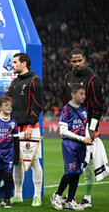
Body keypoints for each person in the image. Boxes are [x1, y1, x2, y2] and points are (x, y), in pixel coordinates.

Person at [62, 49, 104, 208]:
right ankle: (70, 197)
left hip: (87, 128)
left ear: (84, 60)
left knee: (86, 165)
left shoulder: (93, 79)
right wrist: (62, 124)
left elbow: (97, 106)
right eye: (74, 61)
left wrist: (92, 128)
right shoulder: (68, 77)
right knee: (72, 162)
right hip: (71, 127)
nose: (77, 64)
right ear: (70, 61)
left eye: (79, 61)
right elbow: (65, 101)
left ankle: (87, 197)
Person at [6, 53, 43, 206]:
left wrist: (29, 125)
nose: (12, 65)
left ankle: (37, 196)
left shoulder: (35, 81)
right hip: (15, 129)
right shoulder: (14, 81)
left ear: (24, 63)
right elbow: (7, 102)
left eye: (15, 62)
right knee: (16, 162)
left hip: (30, 128)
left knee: (33, 161)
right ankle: (18, 195)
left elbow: (37, 106)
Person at [51, 83, 92, 210]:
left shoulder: (84, 110)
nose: (84, 96)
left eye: (84, 94)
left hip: (81, 145)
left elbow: (85, 127)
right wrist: (81, 138)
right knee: (71, 171)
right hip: (70, 144)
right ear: (73, 94)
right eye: (81, 94)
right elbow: (63, 131)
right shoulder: (66, 109)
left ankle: (70, 201)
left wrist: (87, 138)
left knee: (77, 172)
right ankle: (57, 195)